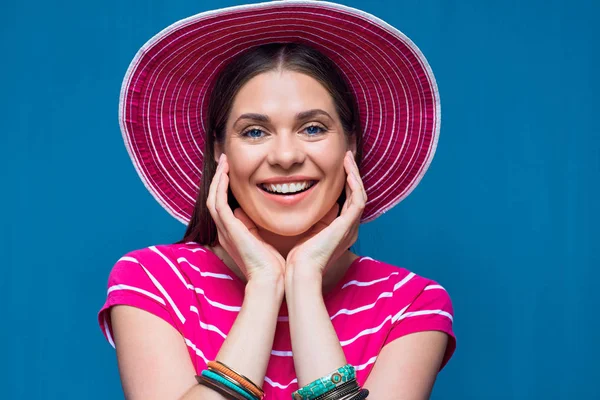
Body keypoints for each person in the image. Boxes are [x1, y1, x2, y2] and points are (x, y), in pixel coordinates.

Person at [98, 1, 456, 399]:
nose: (286, 157)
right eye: (254, 132)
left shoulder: (411, 303)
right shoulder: (152, 280)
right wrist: (265, 285)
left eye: (313, 128)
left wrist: (303, 281)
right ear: (221, 152)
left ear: (350, 145)